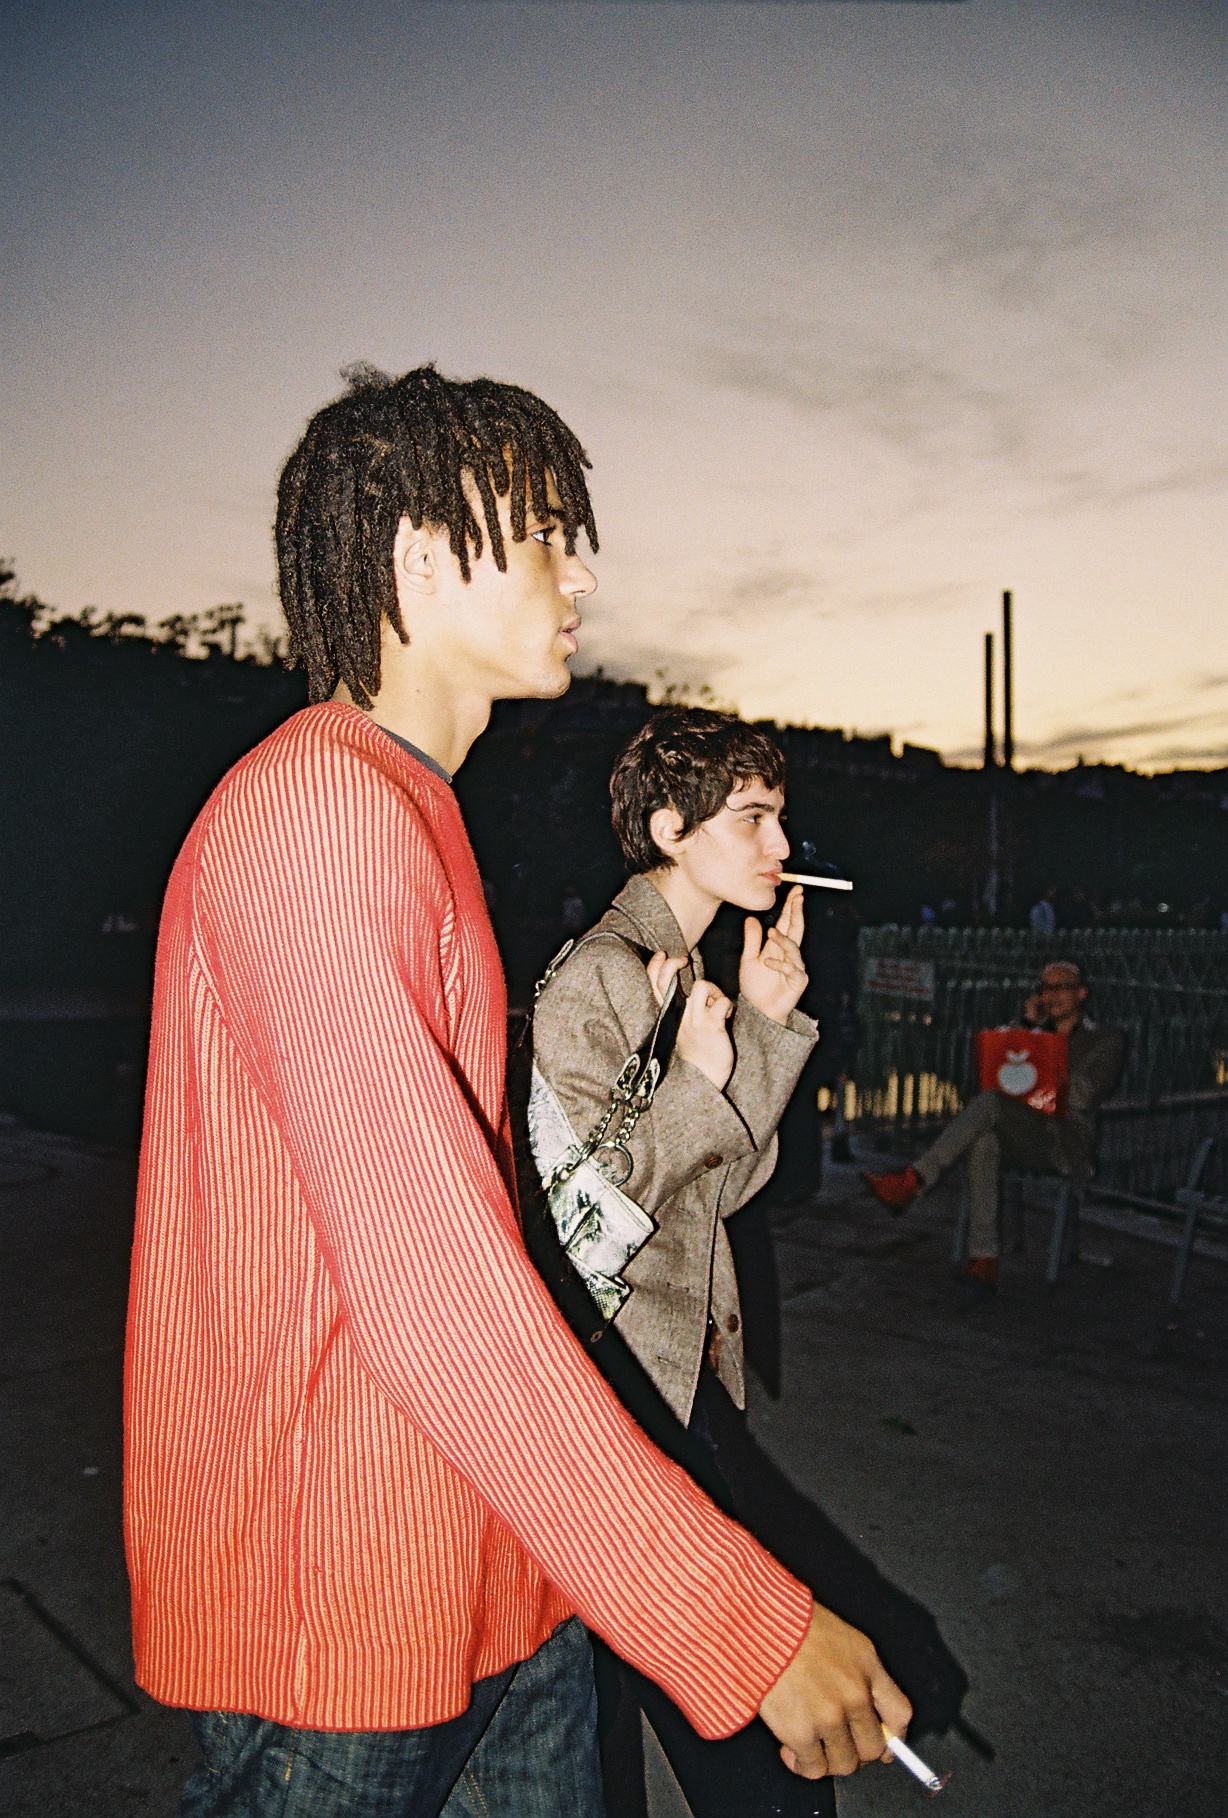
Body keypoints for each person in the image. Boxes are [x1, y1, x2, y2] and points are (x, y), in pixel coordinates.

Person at [124, 363, 910, 1818]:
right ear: (422, 556)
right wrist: (734, 1613)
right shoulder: (317, 818)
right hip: (348, 1594)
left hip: (493, 1558)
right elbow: (435, 1285)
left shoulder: (408, 813)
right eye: (548, 530)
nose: (584, 569)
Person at [530, 709, 890, 1818]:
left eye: (778, 815)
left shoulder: (687, 967)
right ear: (668, 828)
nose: (781, 847)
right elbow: (581, 1209)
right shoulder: (598, 975)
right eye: (754, 818)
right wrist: (697, 1076)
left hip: (680, 1374)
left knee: (620, 1711)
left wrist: (771, 1033)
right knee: (730, 1711)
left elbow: (721, 1187)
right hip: (619, 1390)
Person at [862, 960, 1124, 1289]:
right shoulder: (1032, 1030)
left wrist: (1034, 1073)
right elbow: (1000, 1069)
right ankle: (983, 1259)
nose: (1050, 996)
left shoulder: (1104, 1040)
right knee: (983, 1140)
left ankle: (915, 1180)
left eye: (1060, 987)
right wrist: (1027, 1025)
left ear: (1081, 993)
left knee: (990, 1103)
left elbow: (1083, 1096)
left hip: (1063, 1141)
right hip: (1020, 1133)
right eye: (1044, 988)